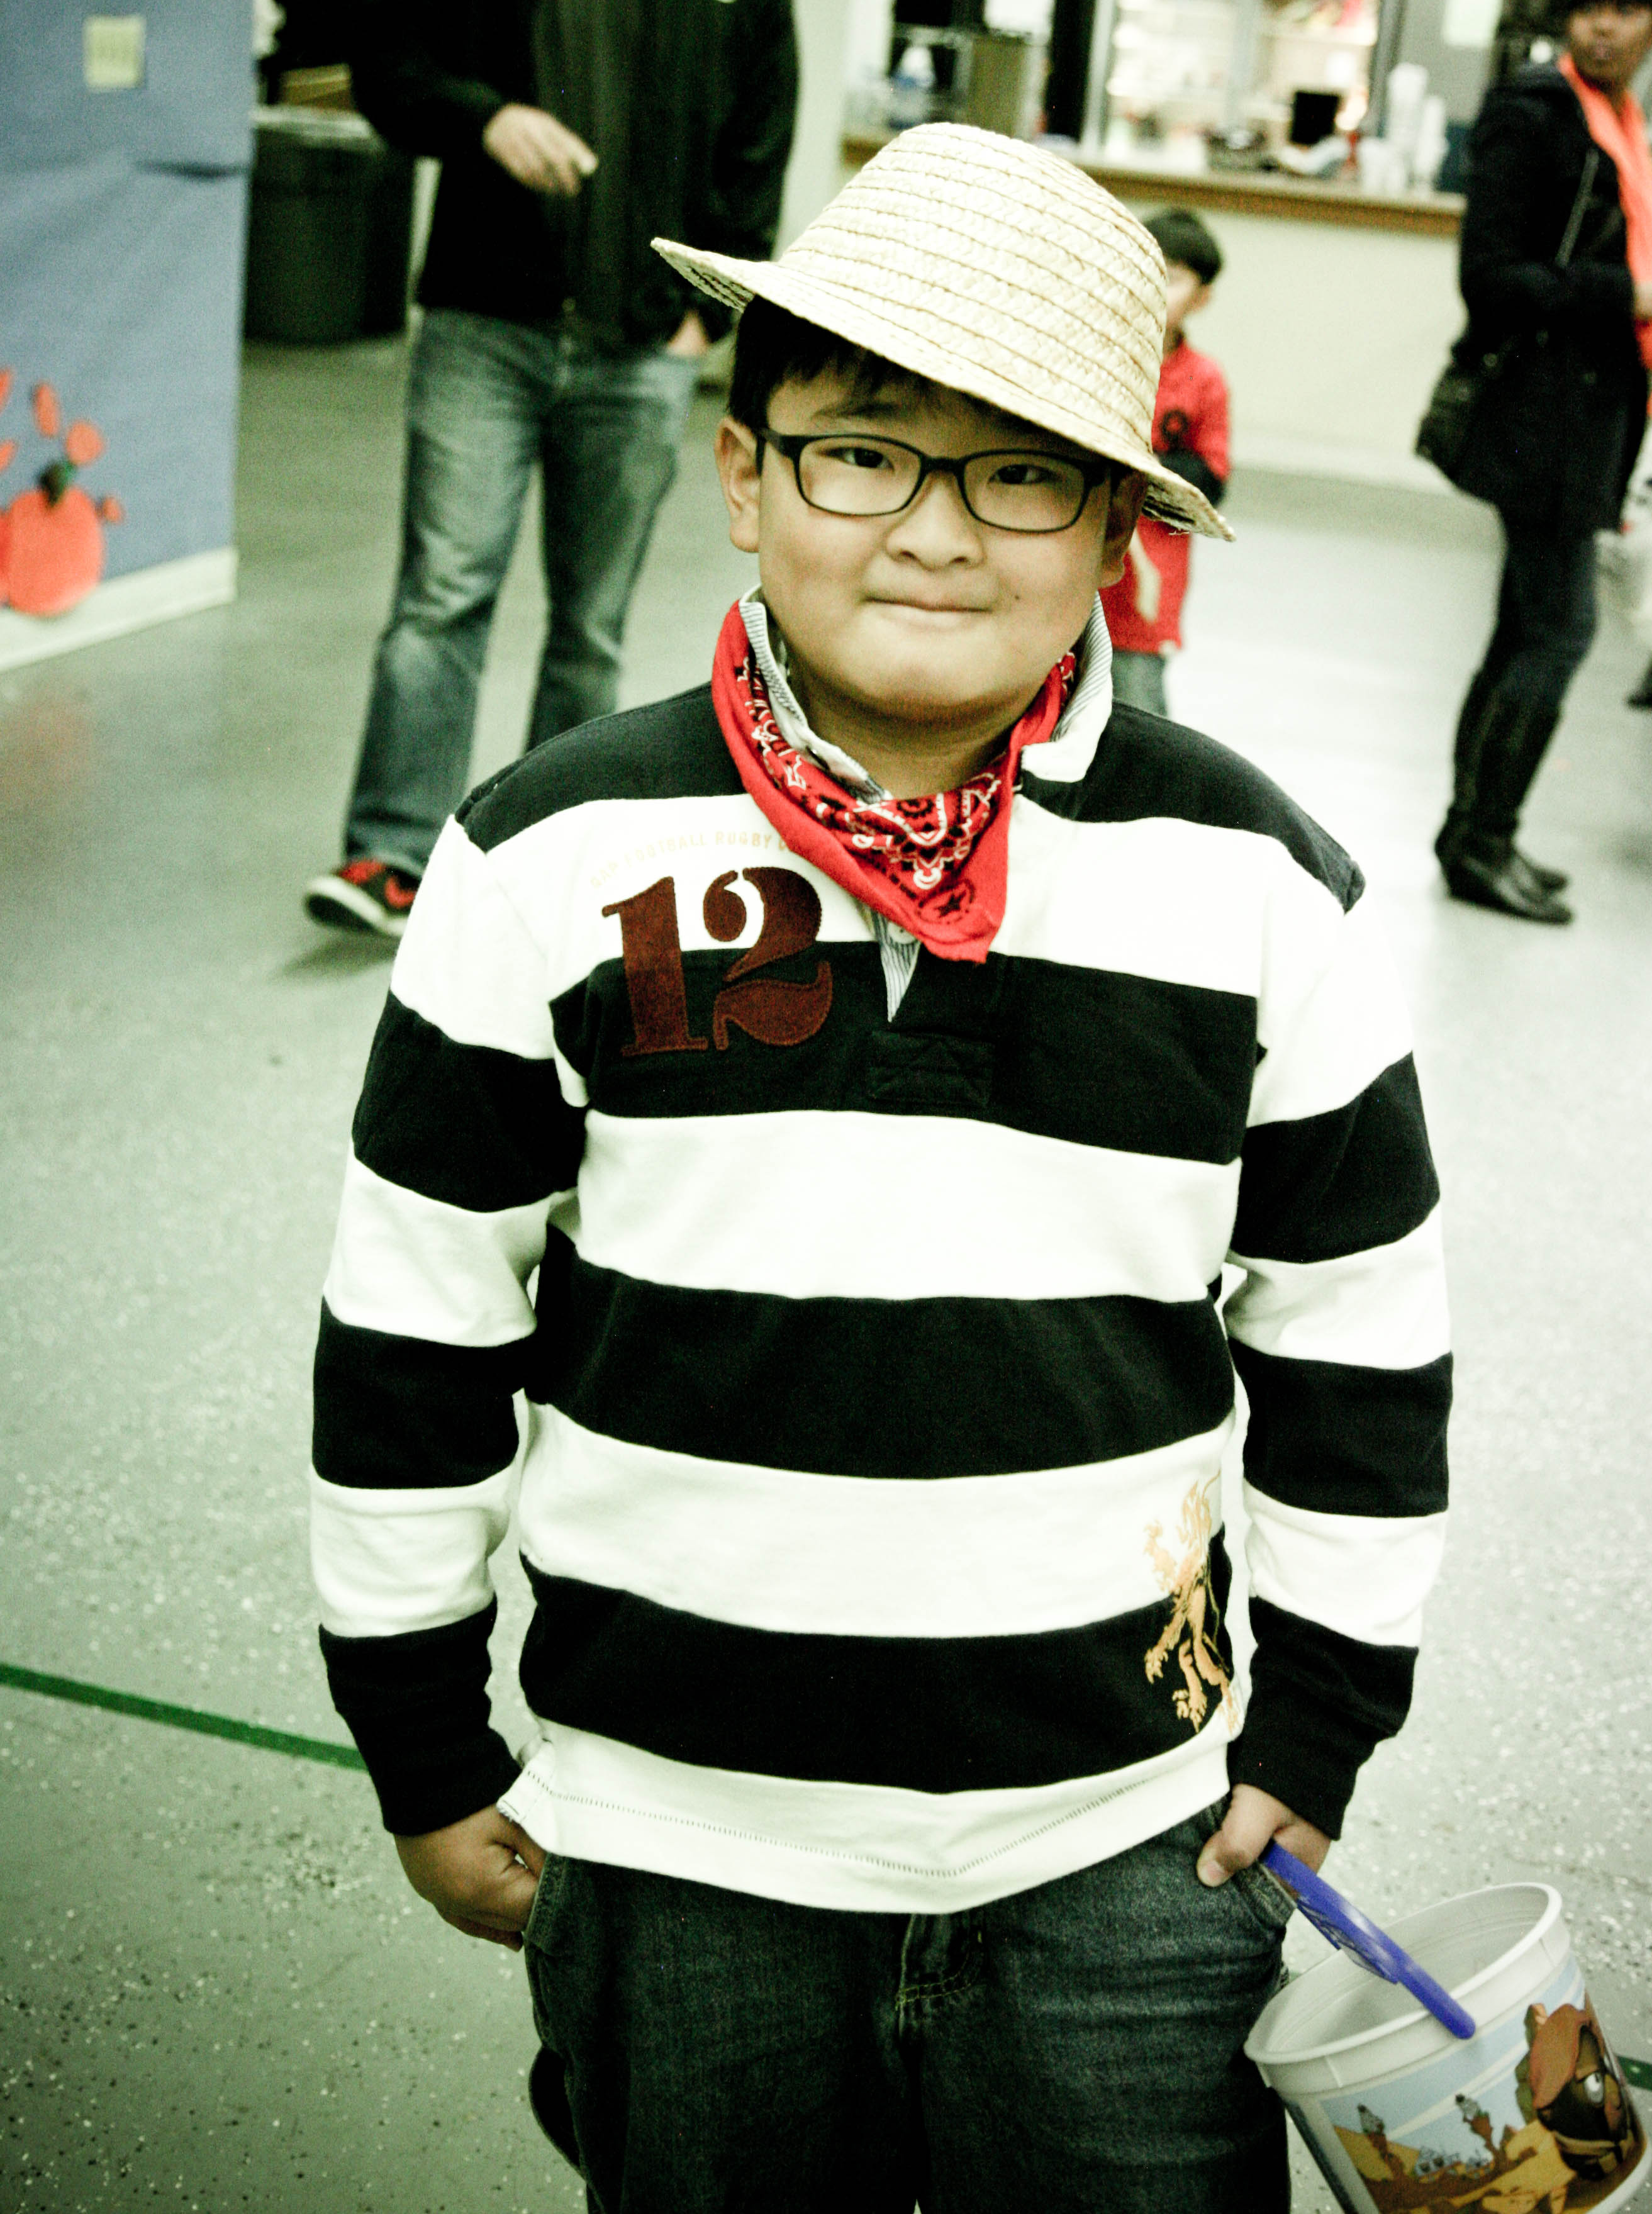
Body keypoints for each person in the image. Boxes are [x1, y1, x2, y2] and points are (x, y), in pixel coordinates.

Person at [310, 124, 1451, 2213]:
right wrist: (420, 1737)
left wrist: (1319, 1727)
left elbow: (1361, 1343)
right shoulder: (550, 852)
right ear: (742, 473)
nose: (933, 530)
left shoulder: (1254, 882)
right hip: (672, 1833)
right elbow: (415, 1323)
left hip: (1127, 1833)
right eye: (859, 452)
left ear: (1117, 524)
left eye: (1019, 472)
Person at [305, 0, 798, 939]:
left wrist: (701, 324)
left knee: (588, 625)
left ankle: (544, 863)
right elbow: (383, 63)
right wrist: (484, 117)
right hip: (484, 329)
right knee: (442, 595)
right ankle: (388, 856)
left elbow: (753, 167)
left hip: (639, 349)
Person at [1436, 0, 1652, 922]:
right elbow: (1490, 278)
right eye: (1589, 8)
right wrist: (1630, 295)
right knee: (1560, 629)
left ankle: (1472, 834)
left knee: (1526, 627)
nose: (1603, 26)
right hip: (1538, 419)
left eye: (1626, 11)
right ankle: (1483, 842)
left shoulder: (1619, 123)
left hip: (1578, 418)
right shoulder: (1535, 113)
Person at [1100, 207, 1232, 713]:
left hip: (1148, 582)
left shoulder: (1204, 379)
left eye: (1173, 278)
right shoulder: (1099, 356)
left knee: (1136, 707)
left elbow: (1213, 477)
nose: (1155, 287)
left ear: (1202, 298)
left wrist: (1142, 462)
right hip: (1078, 570)